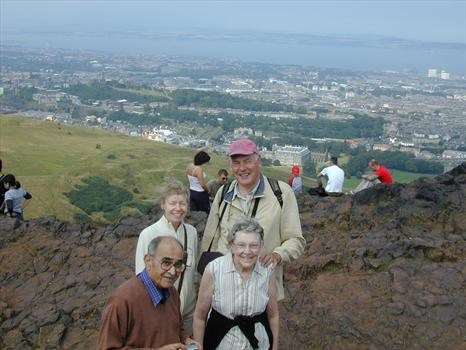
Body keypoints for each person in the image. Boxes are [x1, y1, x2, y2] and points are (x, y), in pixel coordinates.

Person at [201, 139, 305, 301]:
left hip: (262, 291)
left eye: (247, 161)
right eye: (236, 163)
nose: (242, 168)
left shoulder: (282, 194)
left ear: (259, 161)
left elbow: (295, 240)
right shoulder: (223, 193)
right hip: (223, 289)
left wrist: (277, 255)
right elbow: (210, 239)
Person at [98, 236, 201, 350]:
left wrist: (187, 341)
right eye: (166, 263)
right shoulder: (122, 300)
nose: (173, 272)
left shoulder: (172, 293)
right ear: (148, 261)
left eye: (178, 265)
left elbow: (178, 330)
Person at [193, 218, 279, 350]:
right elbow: (200, 317)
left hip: (259, 343)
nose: (247, 251)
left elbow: (273, 315)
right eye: (241, 245)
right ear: (232, 245)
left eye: (253, 245)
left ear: (261, 246)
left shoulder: (267, 270)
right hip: (221, 342)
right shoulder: (214, 269)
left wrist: (275, 346)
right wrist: (199, 347)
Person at [135, 177, 198, 336]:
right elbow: (141, 277)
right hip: (160, 312)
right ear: (163, 204)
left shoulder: (191, 232)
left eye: (182, 203)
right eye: (172, 203)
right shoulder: (148, 234)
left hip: (188, 312)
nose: (178, 208)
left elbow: (193, 272)